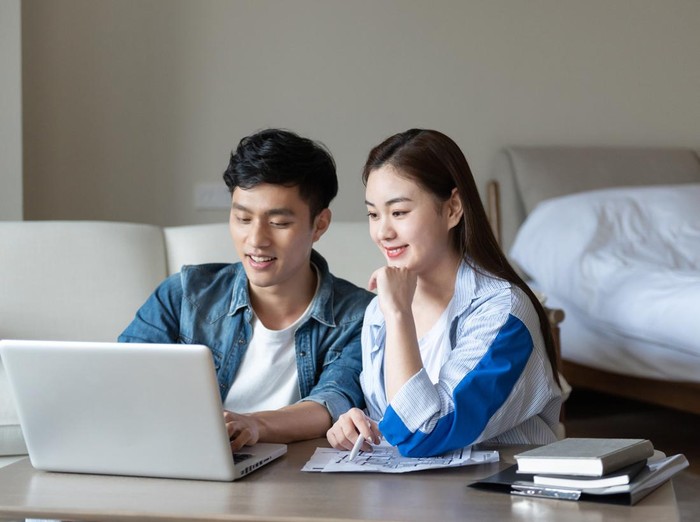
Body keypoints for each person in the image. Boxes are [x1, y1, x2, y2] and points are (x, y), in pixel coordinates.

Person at [119, 128, 374, 450]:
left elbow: (332, 402)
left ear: (320, 224)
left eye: (279, 223)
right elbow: (123, 379)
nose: (256, 240)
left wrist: (253, 424)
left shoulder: (360, 316)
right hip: (185, 460)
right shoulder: (184, 295)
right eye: (242, 218)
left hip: (295, 477)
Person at [326, 129, 562, 458]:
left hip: (501, 499)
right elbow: (398, 424)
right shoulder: (380, 312)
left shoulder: (504, 313)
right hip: (409, 499)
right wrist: (363, 422)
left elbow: (425, 433)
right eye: (373, 214)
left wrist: (399, 315)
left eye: (399, 212)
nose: (383, 232)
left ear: (452, 208)